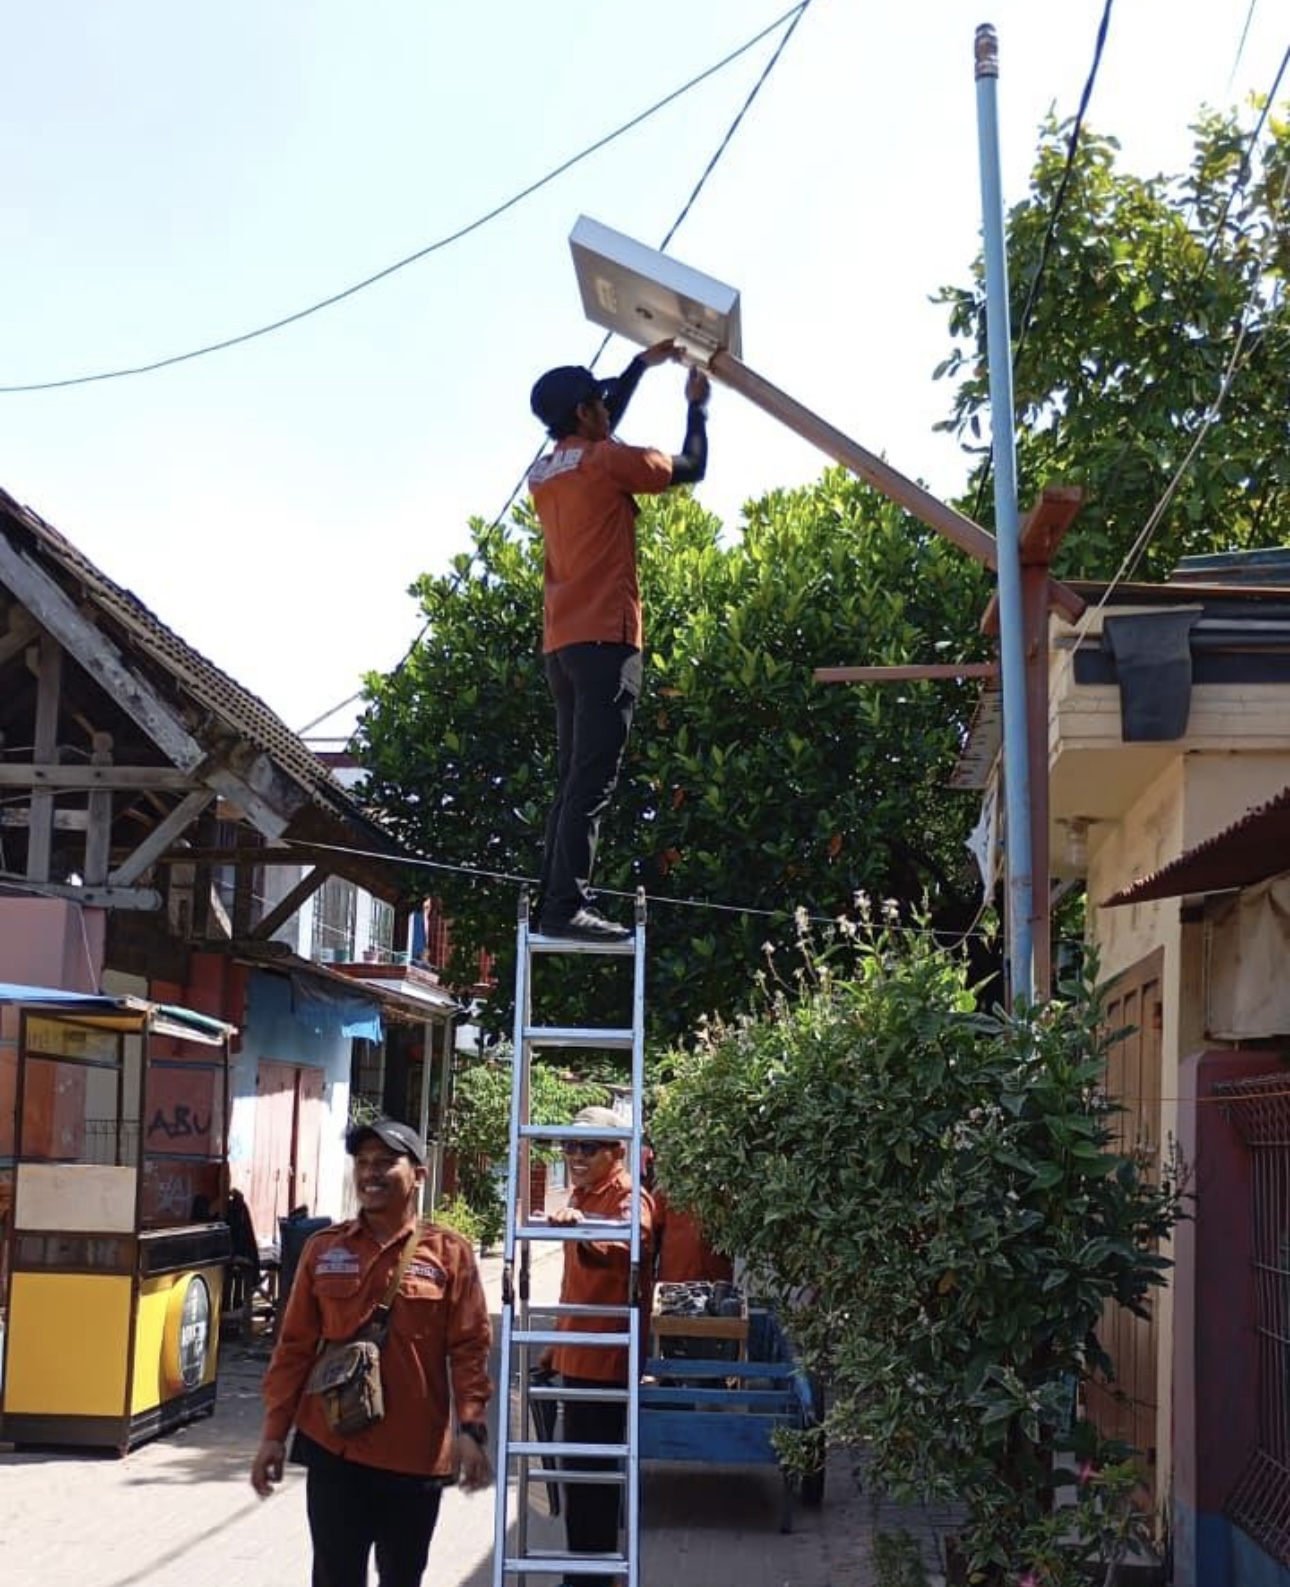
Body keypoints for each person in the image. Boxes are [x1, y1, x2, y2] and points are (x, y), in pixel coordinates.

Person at [249, 1117, 493, 1587]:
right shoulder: (324, 1250)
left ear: (418, 1174)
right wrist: (273, 1435)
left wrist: (471, 1429)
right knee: (335, 1577)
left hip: (416, 1455)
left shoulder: (449, 1253)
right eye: (362, 1163)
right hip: (334, 1447)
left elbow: (469, 1349)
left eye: (385, 1162)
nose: (370, 1173)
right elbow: (294, 1348)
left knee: (403, 1577)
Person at [528, 341, 711, 941]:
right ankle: (565, 907)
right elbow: (692, 466)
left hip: (563, 646)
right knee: (592, 779)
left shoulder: (547, 470)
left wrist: (639, 366)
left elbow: (599, 424)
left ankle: (555, 899)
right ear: (585, 413)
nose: (608, 407)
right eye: (598, 403)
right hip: (607, 640)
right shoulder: (607, 462)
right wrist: (696, 406)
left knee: (572, 778)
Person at [541, 1105, 654, 1587]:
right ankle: (583, 1572)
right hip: (578, 1354)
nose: (576, 1155)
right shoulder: (583, 1194)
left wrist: (584, 1230)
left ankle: (589, 1577)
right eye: (569, 1145)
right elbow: (576, 1287)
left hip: (605, 1361)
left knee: (592, 1478)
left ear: (618, 1151)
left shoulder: (629, 1197)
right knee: (578, 1475)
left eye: (588, 1147)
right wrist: (555, 1345)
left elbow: (632, 1248)